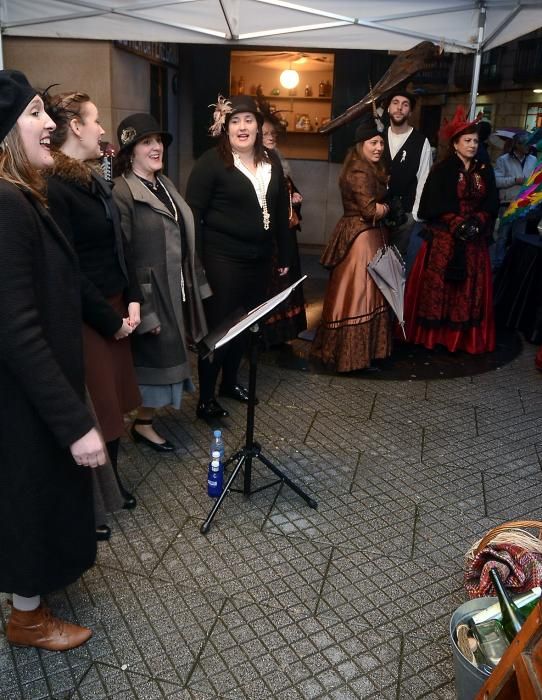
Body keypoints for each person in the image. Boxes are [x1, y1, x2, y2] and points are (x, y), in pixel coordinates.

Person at [0, 69, 106, 650]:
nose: (49, 125)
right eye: (36, 113)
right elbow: (16, 329)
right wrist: (74, 422)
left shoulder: (22, 195)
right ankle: (27, 618)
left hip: (32, 391)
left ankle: (30, 601)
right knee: (28, 498)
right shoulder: (6, 204)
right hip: (24, 398)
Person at [44, 91, 142, 534]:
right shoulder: (54, 187)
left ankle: (109, 486)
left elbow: (119, 243)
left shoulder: (91, 177)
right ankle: (91, 503)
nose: (103, 129)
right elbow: (68, 268)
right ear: (76, 127)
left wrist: (134, 296)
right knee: (98, 409)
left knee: (114, 407)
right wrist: (110, 321)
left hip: (115, 303)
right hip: (89, 314)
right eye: (96, 120)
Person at [186, 95, 291, 421]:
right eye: (235, 121)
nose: (243, 127)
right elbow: (194, 215)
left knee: (247, 324)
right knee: (220, 328)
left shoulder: (272, 160)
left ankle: (229, 383)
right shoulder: (210, 162)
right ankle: (205, 399)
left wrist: (284, 251)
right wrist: (198, 261)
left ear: (259, 126)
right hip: (222, 259)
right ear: (224, 127)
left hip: (260, 258)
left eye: (248, 121)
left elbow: (280, 210)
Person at [112, 113, 211, 450]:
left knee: (169, 354)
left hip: (175, 286)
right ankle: (142, 423)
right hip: (149, 294)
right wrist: (145, 310)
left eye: (158, 141)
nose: (156, 148)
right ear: (130, 151)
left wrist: (196, 286)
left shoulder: (164, 183)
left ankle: (144, 419)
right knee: (155, 359)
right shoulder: (122, 193)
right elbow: (122, 256)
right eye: (146, 142)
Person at [404, 106, 499, 354]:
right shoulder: (442, 169)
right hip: (445, 240)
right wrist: (455, 222)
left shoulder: (484, 170)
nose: (472, 145)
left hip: (473, 241)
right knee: (439, 288)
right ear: (455, 143)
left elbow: (491, 201)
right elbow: (431, 203)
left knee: (470, 289)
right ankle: (436, 336)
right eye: (467, 140)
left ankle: (463, 338)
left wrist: (478, 220)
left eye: (476, 141)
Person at [310, 115, 393, 372]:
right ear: (360, 145)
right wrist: (389, 207)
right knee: (361, 296)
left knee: (367, 295)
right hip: (361, 239)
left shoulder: (368, 167)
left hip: (367, 237)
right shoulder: (359, 170)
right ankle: (354, 358)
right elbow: (369, 211)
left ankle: (364, 355)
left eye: (381, 143)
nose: (378, 147)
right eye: (373, 143)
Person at [261, 114, 307, 346]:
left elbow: (287, 190)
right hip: (271, 235)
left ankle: (284, 333)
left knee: (287, 279)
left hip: (285, 233)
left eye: (273, 134)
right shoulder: (258, 162)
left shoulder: (276, 158)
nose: (271, 138)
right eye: (265, 134)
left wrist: (295, 198)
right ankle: (269, 334)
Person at [382, 89, 432, 267]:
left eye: (405, 105)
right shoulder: (377, 138)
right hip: (378, 211)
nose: (399, 108)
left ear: (410, 111)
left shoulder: (421, 141)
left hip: (406, 214)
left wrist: (415, 215)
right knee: (374, 260)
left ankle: (395, 296)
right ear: (388, 108)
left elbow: (424, 178)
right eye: (395, 103)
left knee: (396, 264)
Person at [492, 132, 538, 270]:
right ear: (516, 144)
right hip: (507, 202)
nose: (528, 146)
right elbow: (497, 181)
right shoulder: (503, 160)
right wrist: (514, 180)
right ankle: (498, 264)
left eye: (530, 143)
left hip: (524, 204)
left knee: (519, 237)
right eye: (525, 143)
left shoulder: (533, 160)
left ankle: (515, 264)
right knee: (503, 236)